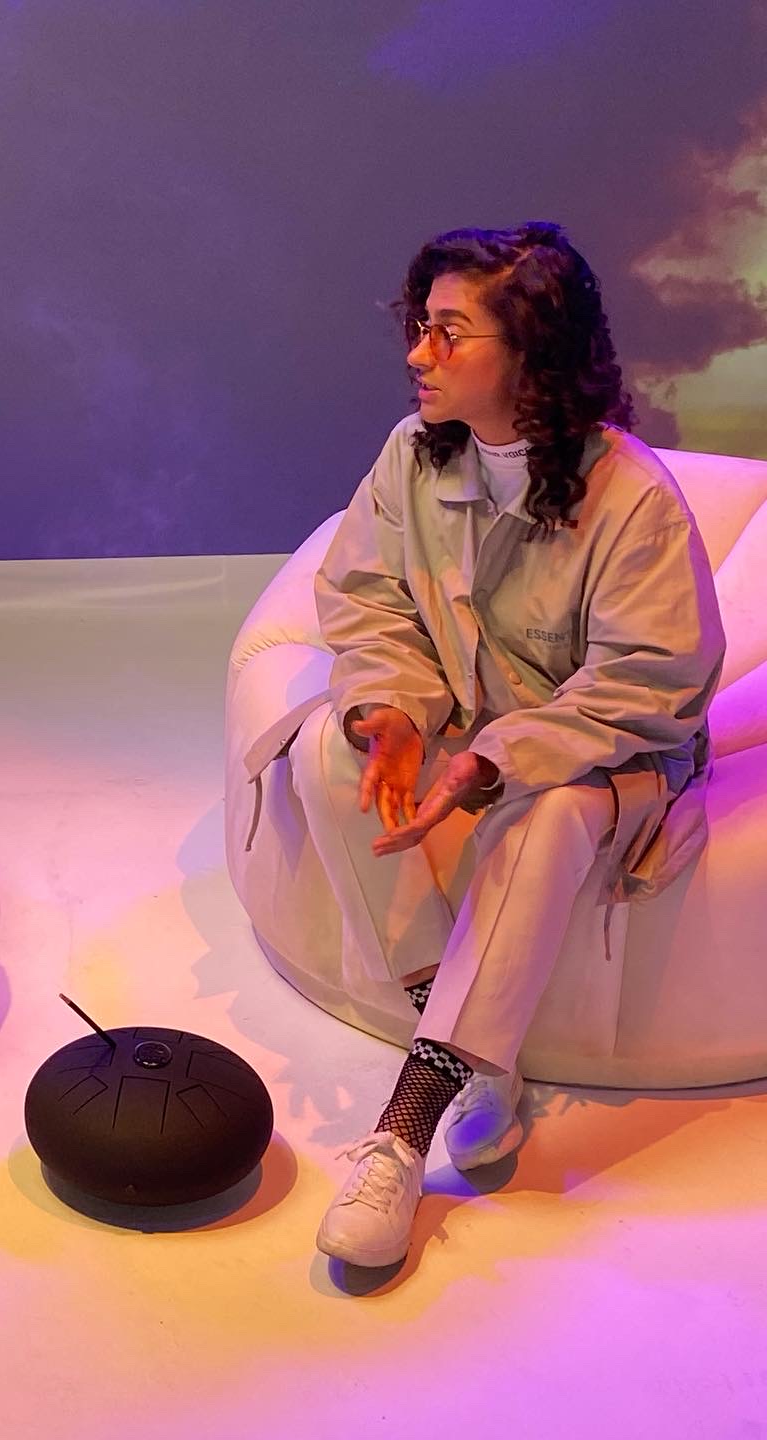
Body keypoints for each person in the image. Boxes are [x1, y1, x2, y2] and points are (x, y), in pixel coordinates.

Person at [293, 221, 724, 1269]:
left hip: (614, 756)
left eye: (450, 332)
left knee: (550, 810)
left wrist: (496, 759)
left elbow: (648, 681)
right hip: (469, 721)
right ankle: (471, 1051)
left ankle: (405, 1127)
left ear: (531, 351)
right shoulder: (412, 454)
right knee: (324, 749)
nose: (418, 354)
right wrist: (393, 712)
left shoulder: (632, 498)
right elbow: (365, 598)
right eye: (419, 325)